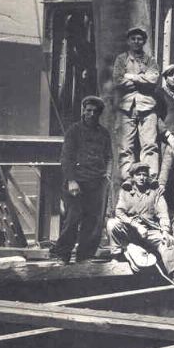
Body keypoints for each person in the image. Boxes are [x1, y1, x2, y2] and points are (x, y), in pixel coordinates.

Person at [106, 162, 174, 284]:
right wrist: (136, 225)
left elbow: (163, 214)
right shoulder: (125, 191)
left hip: (150, 231)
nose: (142, 178)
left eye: (144, 175)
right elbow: (119, 213)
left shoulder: (155, 192)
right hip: (131, 230)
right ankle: (115, 257)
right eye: (138, 175)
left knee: (167, 243)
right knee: (112, 224)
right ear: (132, 177)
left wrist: (166, 231)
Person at [50, 95, 112, 264]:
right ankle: (62, 254)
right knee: (73, 218)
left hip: (96, 182)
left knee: (92, 221)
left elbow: (108, 156)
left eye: (95, 111)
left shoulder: (104, 133)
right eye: (88, 110)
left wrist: (106, 175)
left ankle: (84, 256)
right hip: (77, 182)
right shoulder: (74, 131)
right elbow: (66, 158)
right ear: (83, 111)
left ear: (99, 113)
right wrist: (71, 180)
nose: (91, 114)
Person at [112, 27, 160, 178]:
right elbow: (118, 80)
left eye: (139, 39)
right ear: (128, 41)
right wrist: (142, 79)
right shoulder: (121, 59)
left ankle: (151, 176)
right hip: (126, 107)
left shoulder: (151, 60)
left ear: (144, 41)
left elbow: (153, 79)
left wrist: (131, 76)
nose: (136, 42)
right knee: (125, 147)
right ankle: (126, 177)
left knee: (150, 145)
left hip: (147, 107)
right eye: (133, 39)